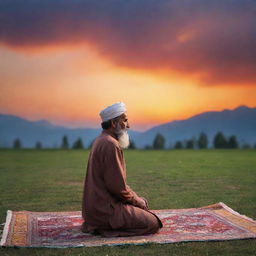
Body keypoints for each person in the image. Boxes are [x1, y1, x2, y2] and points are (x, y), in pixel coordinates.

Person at [81, 102, 162, 237]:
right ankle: (104, 229)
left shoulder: (101, 140)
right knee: (153, 222)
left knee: (140, 206)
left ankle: (99, 225)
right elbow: (117, 188)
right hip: (105, 210)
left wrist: (136, 199)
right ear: (114, 123)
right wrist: (138, 202)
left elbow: (117, 184)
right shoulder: (110, 145)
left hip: (95, 209)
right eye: (125, 120)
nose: (128, 125)